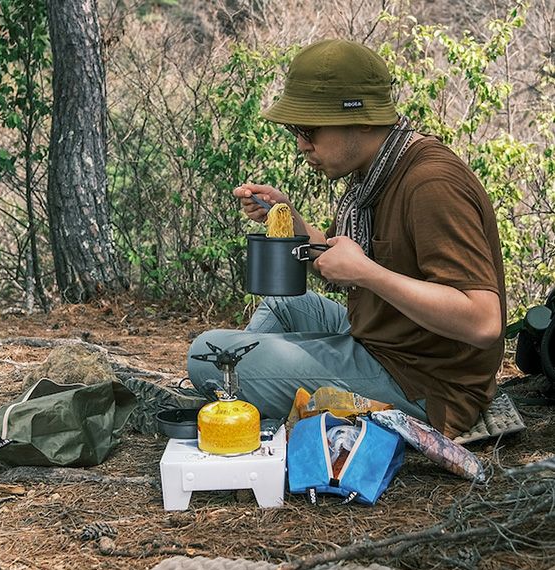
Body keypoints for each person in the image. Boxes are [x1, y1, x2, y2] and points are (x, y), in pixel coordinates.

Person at [186, 38, 506, 439]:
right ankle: (245, 393)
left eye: (310, 129)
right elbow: (342, 259)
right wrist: (292, 223)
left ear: (364, 119)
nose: (302, 145)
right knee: (282, 306)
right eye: (295, 130)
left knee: (205, 354)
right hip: (382, 340)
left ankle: (243, 394)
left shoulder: (431, 184)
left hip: (422, 384)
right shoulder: (375, 172)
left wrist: (369, 273)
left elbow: (483, 321)